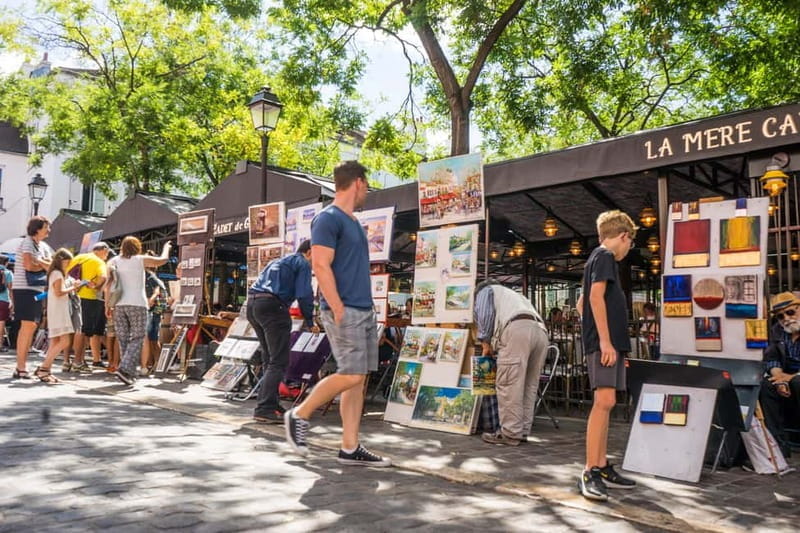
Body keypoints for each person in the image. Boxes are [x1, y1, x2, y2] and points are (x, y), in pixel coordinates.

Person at [284, 160, 391, 467]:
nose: (367, 191)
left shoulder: (354, 222)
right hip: (344, 308)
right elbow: (320, 264)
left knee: (356, 380)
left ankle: (349, 446)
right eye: (367, 185)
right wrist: (338, 306)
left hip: (362, 308)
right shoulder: (328, 218)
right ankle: (299, 414)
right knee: (351, 373)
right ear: (358, 182)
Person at [576, 210, 637, 501]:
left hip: (605, 342)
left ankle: (599, 465)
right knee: (603, 402)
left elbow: (581, 303)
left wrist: (597, 334)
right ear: (624, 236)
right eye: (630, 243)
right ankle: (590, 470)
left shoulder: (597, 259)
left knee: (608, 401)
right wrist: (603, 340)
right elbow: (594, 297)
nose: (628, 250)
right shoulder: (604, 257)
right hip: (605, 343)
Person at [247, 239, 315, 423]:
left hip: (253, 304)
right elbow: (304, 294)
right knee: (278, 360)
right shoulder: (302, 263)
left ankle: (271, 402)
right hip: (273, 307)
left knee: (269, 358)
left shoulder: (277, 261)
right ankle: (265, 408)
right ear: (310, 252)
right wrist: (310, 320)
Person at [474, 279, 549, 446]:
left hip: (517, 330)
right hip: (540, 331)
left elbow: (485, 316)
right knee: (529, 385)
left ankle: (510, 432)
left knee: (509, 383)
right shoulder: (514, 295)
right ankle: (522, 431)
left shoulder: (486, 291)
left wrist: (485, 343)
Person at [106, 237, 171, 385]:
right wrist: (166, 247)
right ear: (137, 246)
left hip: (119, 304)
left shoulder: (114, 261)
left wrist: (108, 306)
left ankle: (128, 373)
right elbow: (162, 260)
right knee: (138, 337)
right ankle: (124, 369)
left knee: (123, 338)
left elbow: (108, 283)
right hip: (138, 303)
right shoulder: (140, 259)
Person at [760, 292, 800, 459]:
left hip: (796, 378)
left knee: (798, 383)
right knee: (766, 385)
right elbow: (772, 358)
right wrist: (779, 379)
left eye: (790, 312)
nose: (786, 318)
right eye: (780, 316)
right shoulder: (778, 330)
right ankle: (778, 444)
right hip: (787, 376)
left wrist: (789, 378)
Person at [12, 215, 52, 379]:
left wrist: (40, 262)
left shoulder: (42, 246)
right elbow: (28, 264)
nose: (49, 230)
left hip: (35, 289)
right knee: (28, 326)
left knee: (31, 326)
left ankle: (21, 366)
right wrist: (42, 264)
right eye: (46, 227)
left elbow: (50, 264)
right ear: (37, 228)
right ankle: (21, 367)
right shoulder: (28, 242)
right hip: (25, 288)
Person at [35, 248, 82, 383]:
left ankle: (46, 369)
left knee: (55, 341)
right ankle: (44, 368)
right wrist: (73, 287)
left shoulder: (55, 272)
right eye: (67, 262)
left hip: (56, 309)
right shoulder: (57, 273)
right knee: (65, 341)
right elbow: (59, 292)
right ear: (61, 261)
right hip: (59, 310)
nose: (68, 265)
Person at [67, 241, 112, 372]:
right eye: (107, 253)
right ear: (103, 250)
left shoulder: (79, 257)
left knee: (75, 330)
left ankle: (69, 361)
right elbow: (103, 277)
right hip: (90, 298)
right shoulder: (98, 262)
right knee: (84, 331)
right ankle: (78, 361)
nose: (106, 256)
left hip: (73, 296)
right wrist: (97, 287)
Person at [142, 252, 168, 373]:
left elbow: (157, 291)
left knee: (150, 337)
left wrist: (150, 300)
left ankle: (154, 364)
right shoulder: (152, 276)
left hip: (153, 309)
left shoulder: (149, 276)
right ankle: (155, 364)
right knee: (152, 337)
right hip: (157, 309)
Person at [0, 254, 13, 353]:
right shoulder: (8, 273)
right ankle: (0, 344)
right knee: (1, 322)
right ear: (6, 263)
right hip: (4, 301)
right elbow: (11, 289)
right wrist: (13, 302)